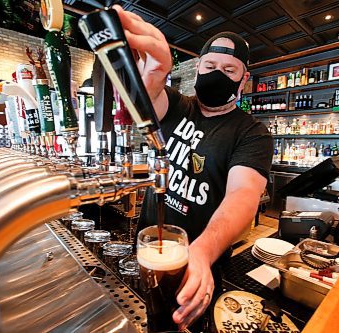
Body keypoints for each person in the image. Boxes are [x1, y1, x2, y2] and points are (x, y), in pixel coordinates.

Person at [114, 5, 273, 331]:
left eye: (229, 70)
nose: (217, 73)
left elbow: (243, 194)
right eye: (210, 65)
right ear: (198, 68)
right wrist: (155, 70)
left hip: (199, 262)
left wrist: (201, 251)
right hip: (149, 247)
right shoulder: (174, 104)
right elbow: (138, 103)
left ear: (243, 80)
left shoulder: (251, 132)